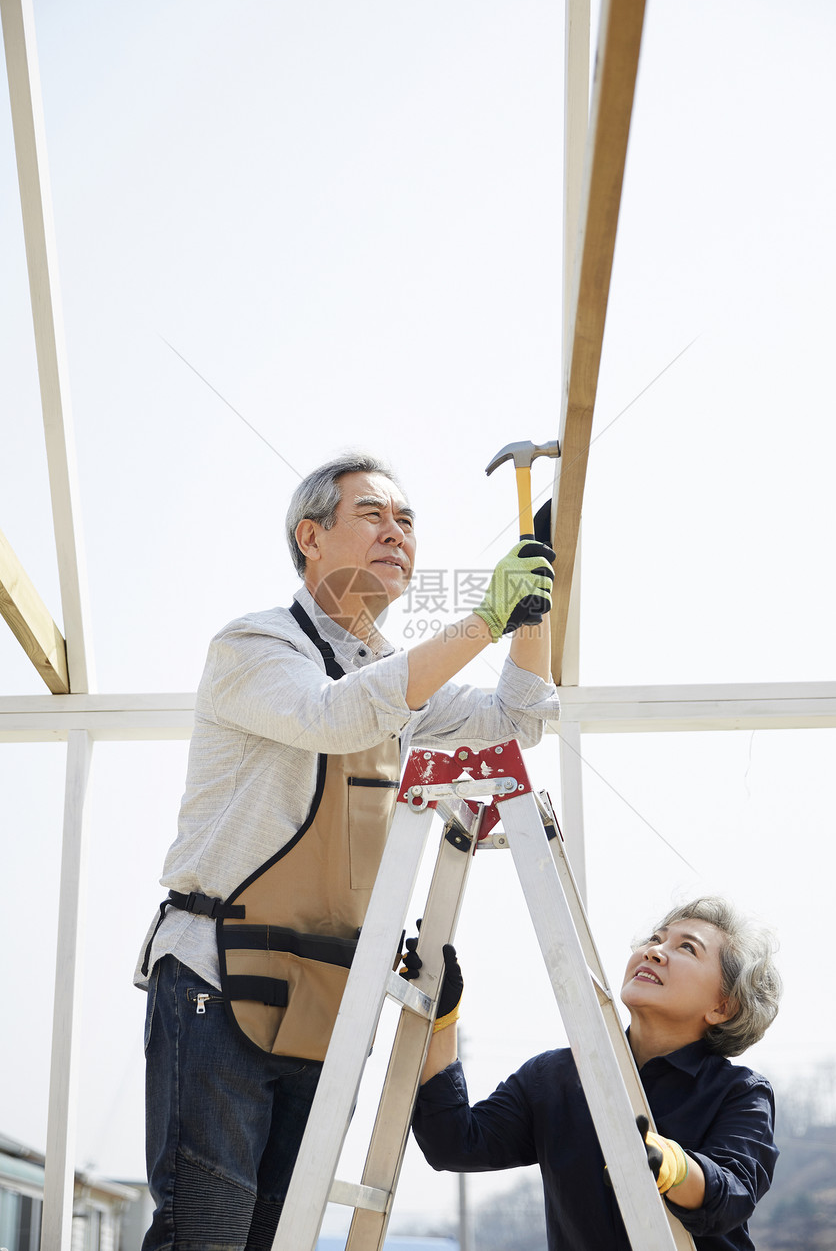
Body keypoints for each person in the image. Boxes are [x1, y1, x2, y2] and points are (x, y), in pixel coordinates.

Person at [134, 451, 558, 1251]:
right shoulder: (253, 646)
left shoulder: (396, 681)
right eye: (373, 515)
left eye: (407, 521)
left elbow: (519, 715)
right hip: (216, 976)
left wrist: (533, 606)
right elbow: (333, 716)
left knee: (274, 1235)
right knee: (207, 1234)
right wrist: (482, 619)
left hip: (326, 986)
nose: (396, 533)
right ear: (310, 537)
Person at [413, 896, 782, 1251]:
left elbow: (733, 1195)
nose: (654, 951)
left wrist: (669, 1165)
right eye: (656, 938)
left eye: (687, 948)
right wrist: (442, 1016)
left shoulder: (740, 1093)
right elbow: (452, 1143)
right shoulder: (553, 1076)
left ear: (723, 1006)